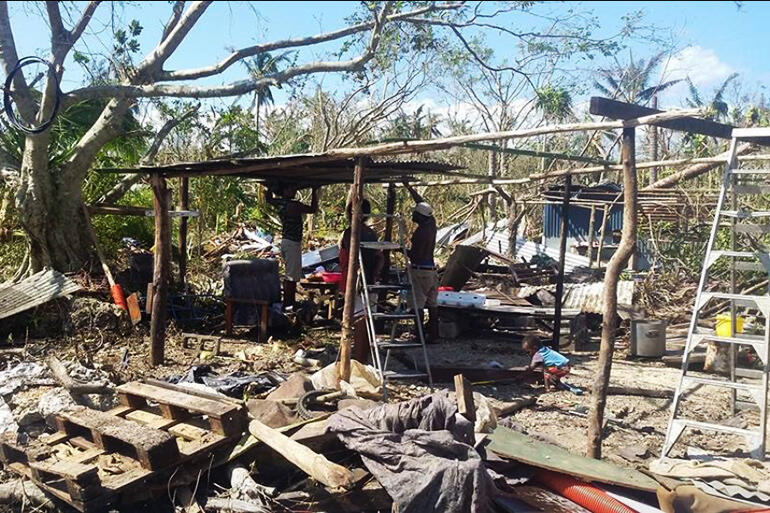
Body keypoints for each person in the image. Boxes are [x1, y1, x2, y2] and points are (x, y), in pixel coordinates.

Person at [339, 198, 384, 363]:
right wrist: (375, 275)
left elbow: (353, 259)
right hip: (370, 281)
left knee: (359, 321)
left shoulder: (350, 232)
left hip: (358, 283)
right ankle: (362, 356)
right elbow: (380, 258)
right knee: (365, 320)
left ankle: (359, 358)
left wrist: (358, 277)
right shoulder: (372, 234)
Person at [266, 183, 319, 308]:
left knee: (290, 274)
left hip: (286, 242)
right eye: (291, 188)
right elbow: (313, 209)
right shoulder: (294, 205)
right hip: (293, 243)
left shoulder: (280, 203)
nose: (294, 191)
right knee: (291, 276)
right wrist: (315, 191)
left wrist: (270, 188)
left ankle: (289, 302)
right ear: (284, 191)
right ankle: (289, 303)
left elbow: (268, 198)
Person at [402, 179, 439, 341]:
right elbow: (422, 203)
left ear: (420, 216)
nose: (412, 215)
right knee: (432, 304)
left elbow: (416, 255)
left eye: (415, 213)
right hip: (431, 271)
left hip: (420, 271)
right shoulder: (431, 224)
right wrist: (409, 187)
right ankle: (434, 333)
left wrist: (402, 250)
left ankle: (419, 334)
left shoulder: (420, 233)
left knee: (417, 305)